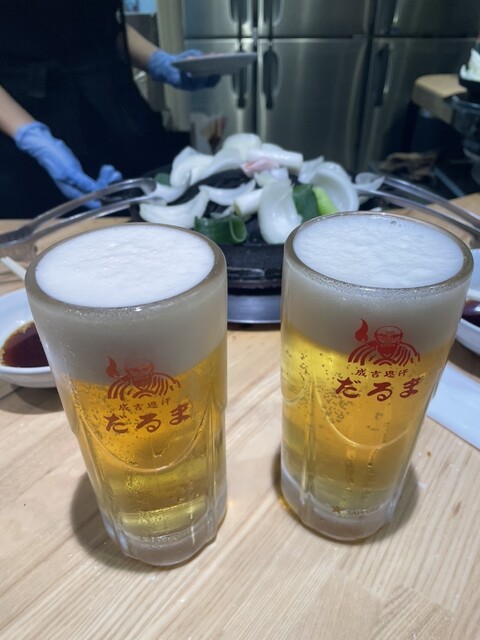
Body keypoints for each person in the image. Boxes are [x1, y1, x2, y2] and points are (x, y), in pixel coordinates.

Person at [0, 1, 220, 218]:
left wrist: (159, 61)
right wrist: (30, 136)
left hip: (117, 110)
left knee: (147, 217)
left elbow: (100, 25)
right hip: (25, 121)